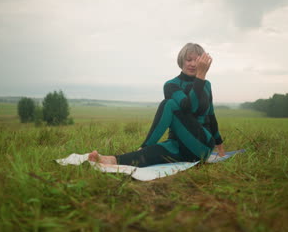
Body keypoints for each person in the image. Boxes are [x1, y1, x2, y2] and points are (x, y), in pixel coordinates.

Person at [88, 43, 226, 166]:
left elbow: (210, 115)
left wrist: (220, 146)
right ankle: (111, 160)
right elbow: (186, 107)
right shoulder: (171, 85)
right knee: (152, 153)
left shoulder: (206, 85)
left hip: (202, 145)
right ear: (181, 61)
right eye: (188, 60)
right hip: (180, 145)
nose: (193, 64)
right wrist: (200, 78)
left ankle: (144, 146)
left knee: (169, 104)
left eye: (197, 60)